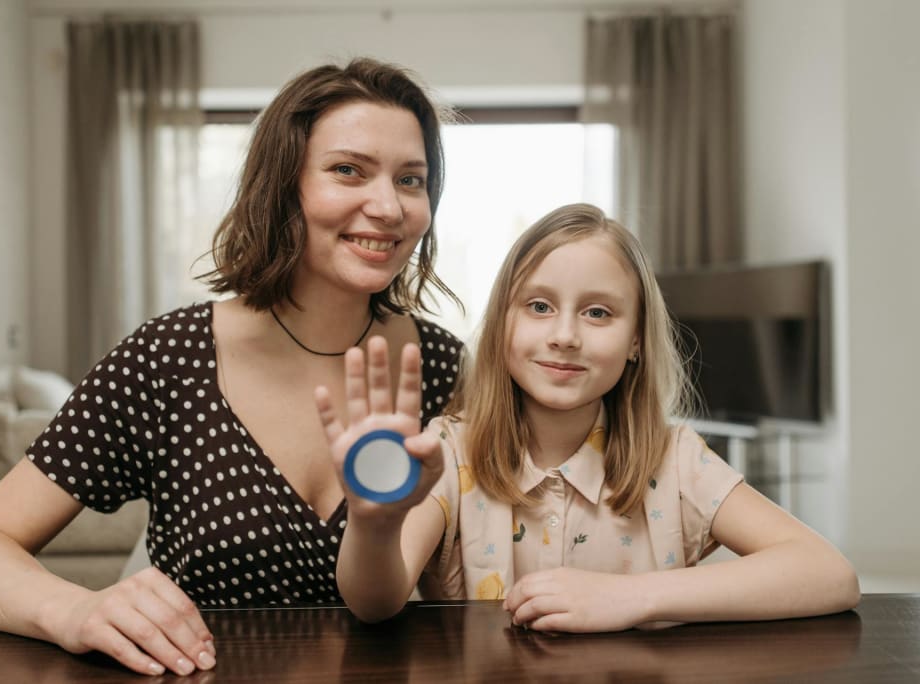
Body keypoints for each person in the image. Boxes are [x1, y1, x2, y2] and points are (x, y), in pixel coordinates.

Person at [0, 57, 464, 676]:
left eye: (411, 180)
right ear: (283, 184)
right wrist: (74, 610)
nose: (389, 207)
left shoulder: (446, 368)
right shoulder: (167, 359)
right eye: (348, 171)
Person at [315, 202, 860, 629]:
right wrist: (373, 525)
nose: (565, 335)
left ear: (636, 340)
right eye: (539, 306)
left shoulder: (676, 461)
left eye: (598, 312)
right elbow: (374, 603)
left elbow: (829, 574)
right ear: (503, 324)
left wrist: (629, 597)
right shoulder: (450, 450)